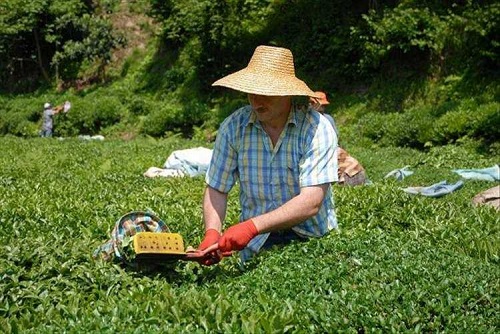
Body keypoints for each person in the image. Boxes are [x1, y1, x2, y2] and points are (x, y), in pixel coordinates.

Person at [196, 45, 339, 266]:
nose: (256, 99)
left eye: (266, 92)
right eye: (252, 90)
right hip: (255, 243)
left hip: (310, 238)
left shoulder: (316, 128)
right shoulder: (234, 127)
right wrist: (212, 231)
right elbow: (217, 187)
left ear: (287, 93)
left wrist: (251, 226)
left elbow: (311, 201)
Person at [310, 91, 368, 186]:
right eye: (322, 105)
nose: (323, 108)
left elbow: (334, 138)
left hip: (346, 169)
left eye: (324, 106)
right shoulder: (311, 119)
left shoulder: (327, 119)